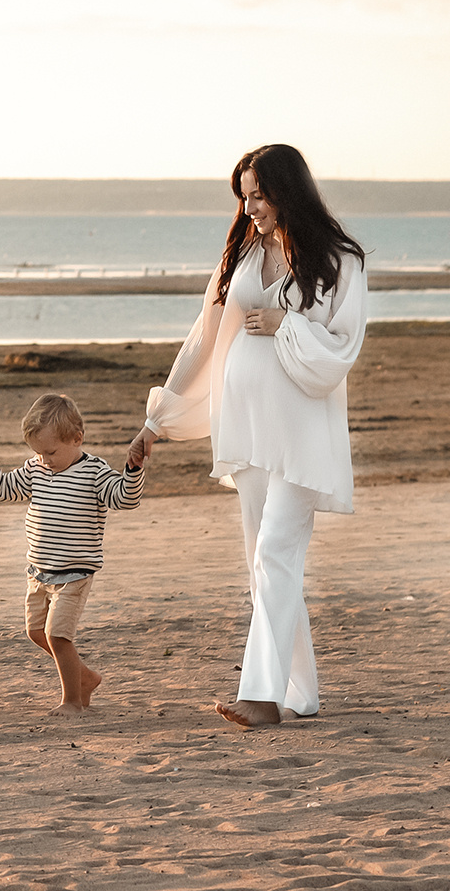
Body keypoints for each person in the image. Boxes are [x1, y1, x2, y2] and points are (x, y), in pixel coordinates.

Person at [126, 143, 367, 730]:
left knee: (274, 553)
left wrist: (289, 326)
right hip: (247, 428)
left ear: (289, 191)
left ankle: (259, 696)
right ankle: (300, 693)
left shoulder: (339, 260)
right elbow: (202, 341)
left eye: (259, 194)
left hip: (302, 431)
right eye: (245, 196)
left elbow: (342, 349)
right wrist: (156, 420)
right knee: (264, 562)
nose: (250, 205)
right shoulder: (240, 254)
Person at [0, 392, 144, 713]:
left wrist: (132, 471)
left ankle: (72, 701)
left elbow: (124, 499)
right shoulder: (36, 469)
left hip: (74, 574)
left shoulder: (95, 473)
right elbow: (3, 489)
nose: (44, 459)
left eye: (50, 451)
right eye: (38, 452)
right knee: (36, 632)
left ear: (77, 439)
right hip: (38, 572)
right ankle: (84, 678)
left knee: (58, 636)